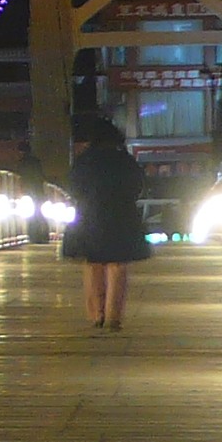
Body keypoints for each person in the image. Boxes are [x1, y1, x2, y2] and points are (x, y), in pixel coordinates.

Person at [62, 115, 150, 330]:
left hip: (90, 217)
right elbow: (138, 187)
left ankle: (96, 314)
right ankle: (113, 316)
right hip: (121, 217)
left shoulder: (84, 161)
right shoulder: (125, 161)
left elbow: (73, 187)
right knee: (117, 266)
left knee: (93, 265)